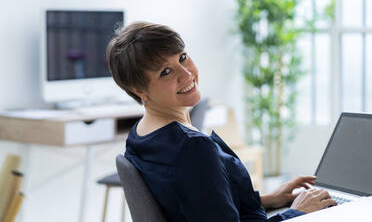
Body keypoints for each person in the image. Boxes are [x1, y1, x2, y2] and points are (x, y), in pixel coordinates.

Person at [106, 22, 337, 221]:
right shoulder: (191, 149)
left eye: (182, 58)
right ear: (138, 90)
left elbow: (199, 207)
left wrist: (269, 199)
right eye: (166, 72)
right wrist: (297, 212)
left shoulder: (141, 135)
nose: (186, 74)